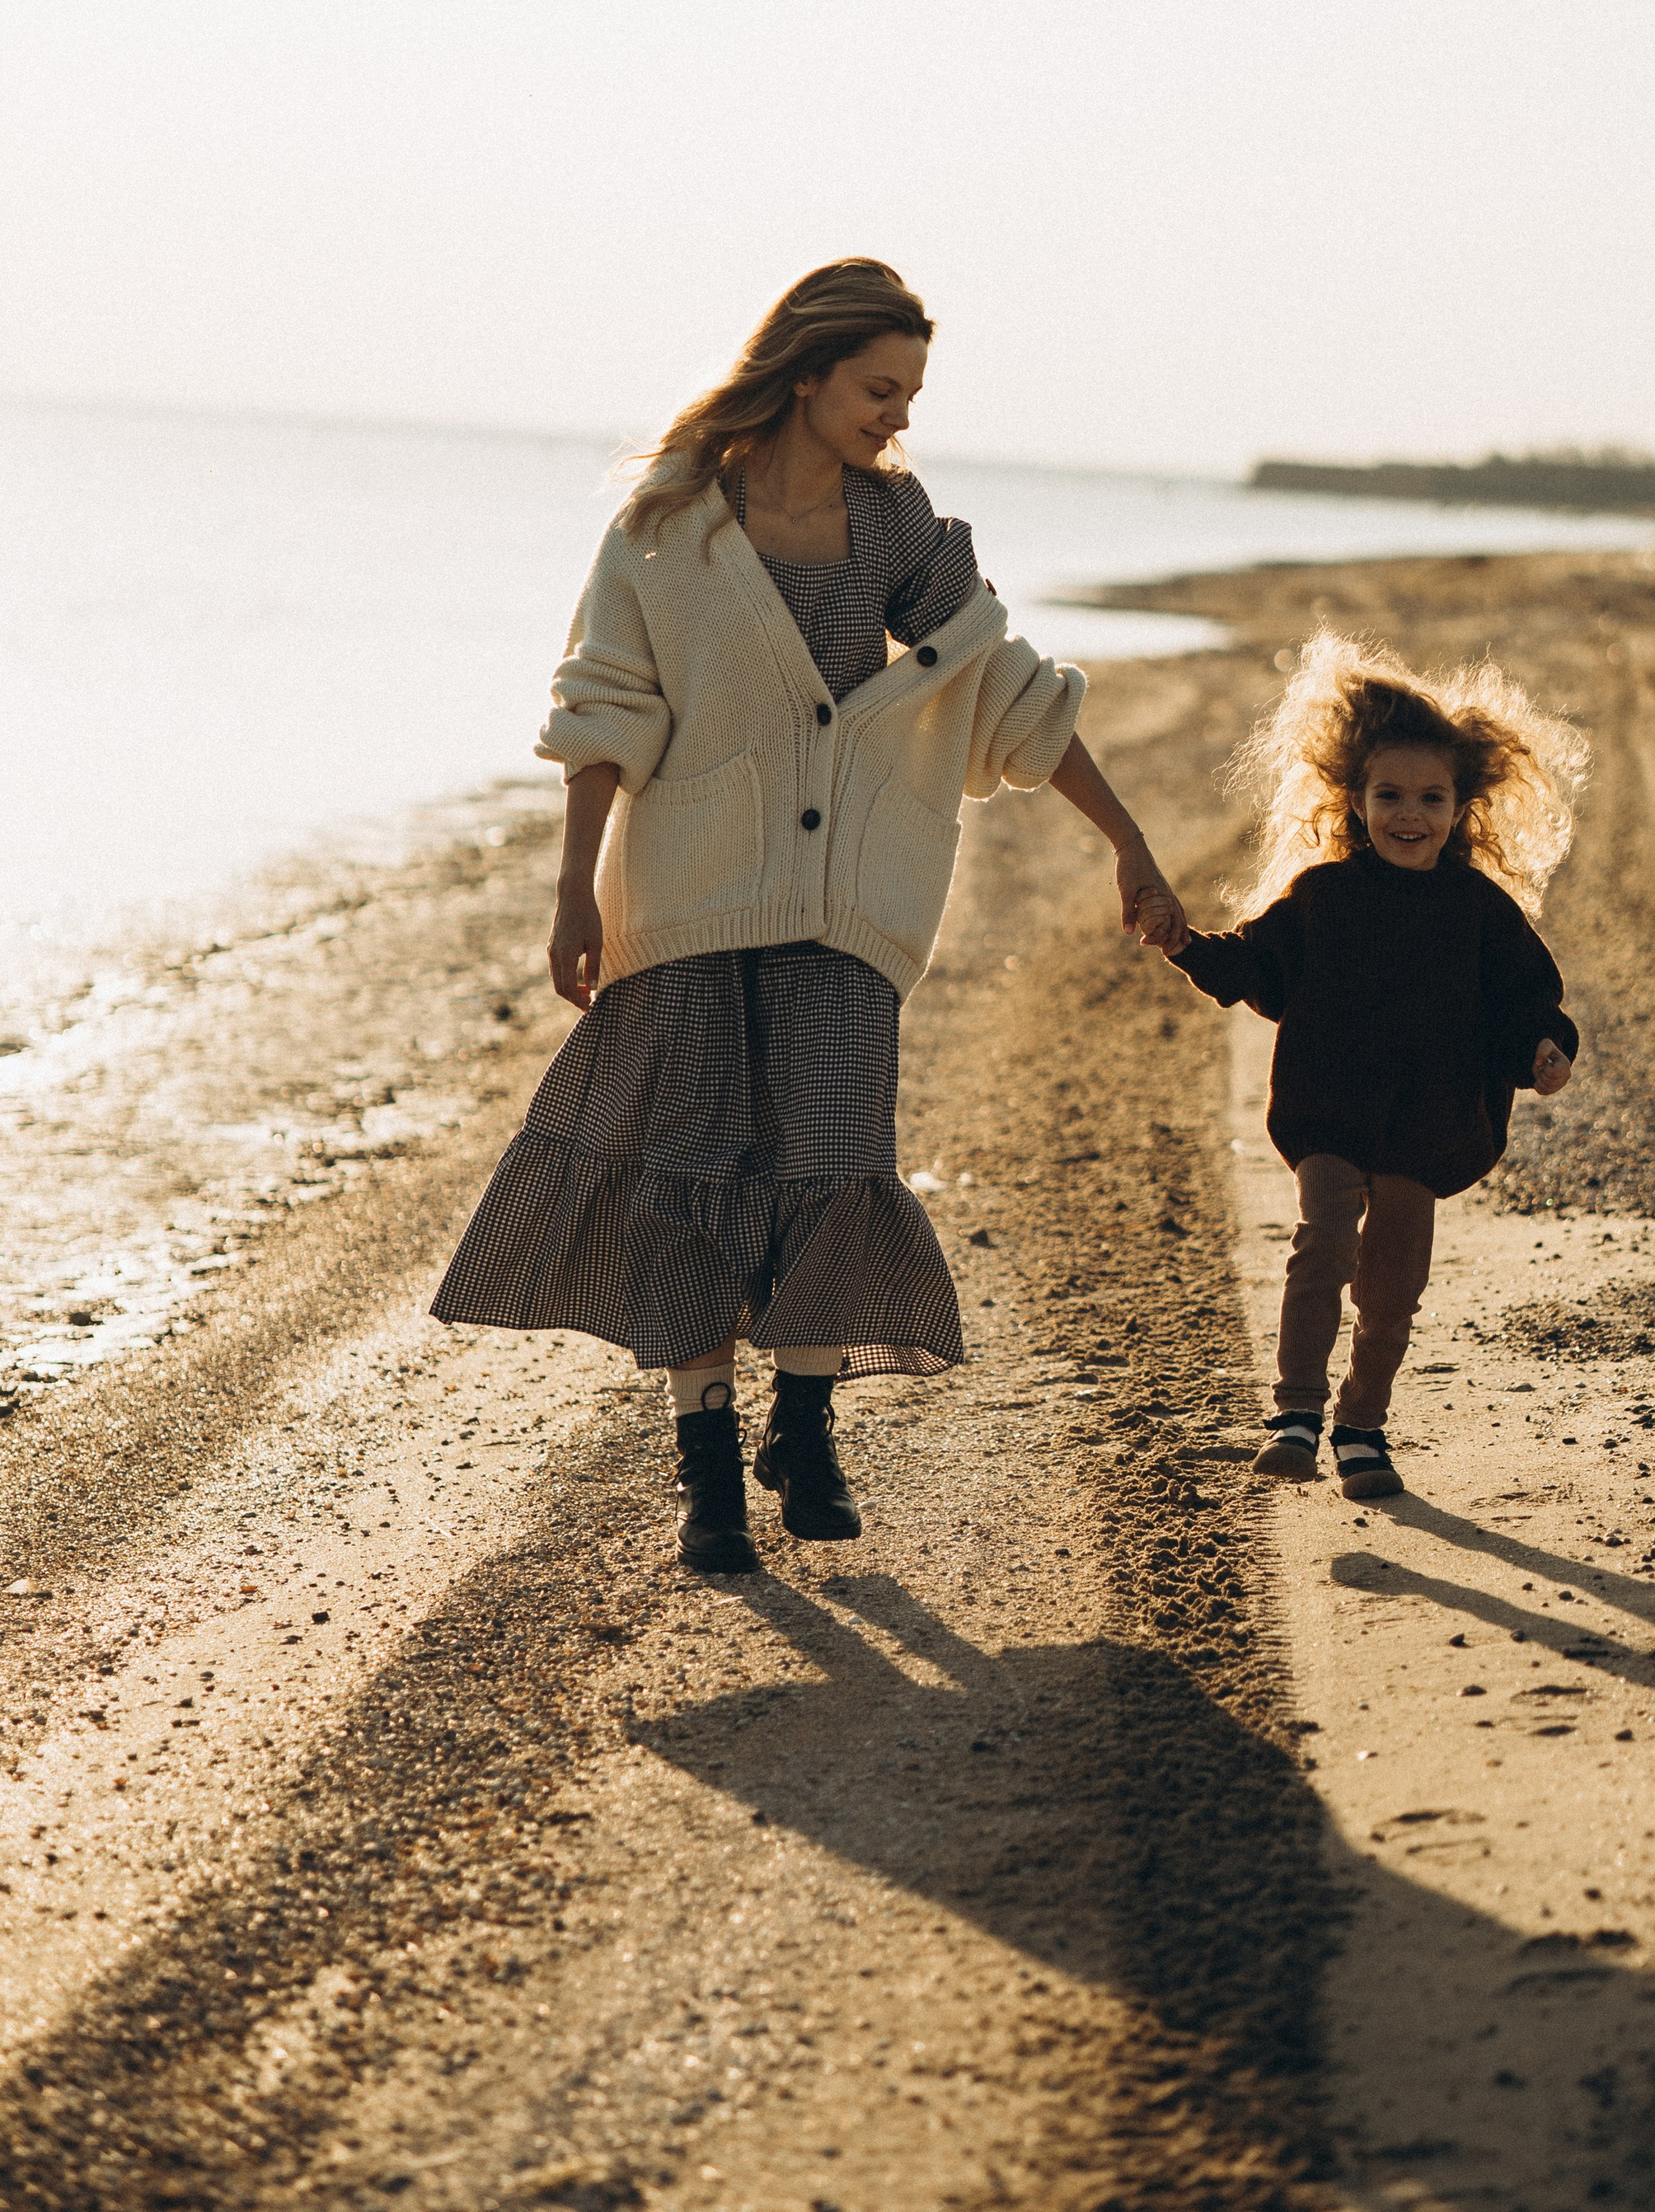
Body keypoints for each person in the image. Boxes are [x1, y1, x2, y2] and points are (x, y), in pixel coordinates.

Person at [431, 260, 1180, 1574]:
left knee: (833, 1157)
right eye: (880, 390)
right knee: (691, 1172)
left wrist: (1127, 842)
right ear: (808, 371)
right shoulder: (668, 525)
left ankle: (809, 1428)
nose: (898, 418)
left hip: (845, 912)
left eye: (911, 395)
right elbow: (604, 710)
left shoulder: (893, 527)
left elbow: (1001, 687)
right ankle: (709, 1470)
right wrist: (571, 896)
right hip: (686, 900)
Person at [1146, 630, 1586, 1499]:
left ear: (1462, 808)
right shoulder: (1323, 897)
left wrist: (1544, 1049)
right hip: (1327, 1108)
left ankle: (1362, 1428)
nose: (1409, 815)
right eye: (1389, 795)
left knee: (1392, 1290)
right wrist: (1183, 943)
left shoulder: (1479, 911)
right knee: (1320, 1241)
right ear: (1355, 801)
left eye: (1430, 798)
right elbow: (1256, 965)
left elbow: (1523, 1001)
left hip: (1428, 1124)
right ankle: (1296, 1414)